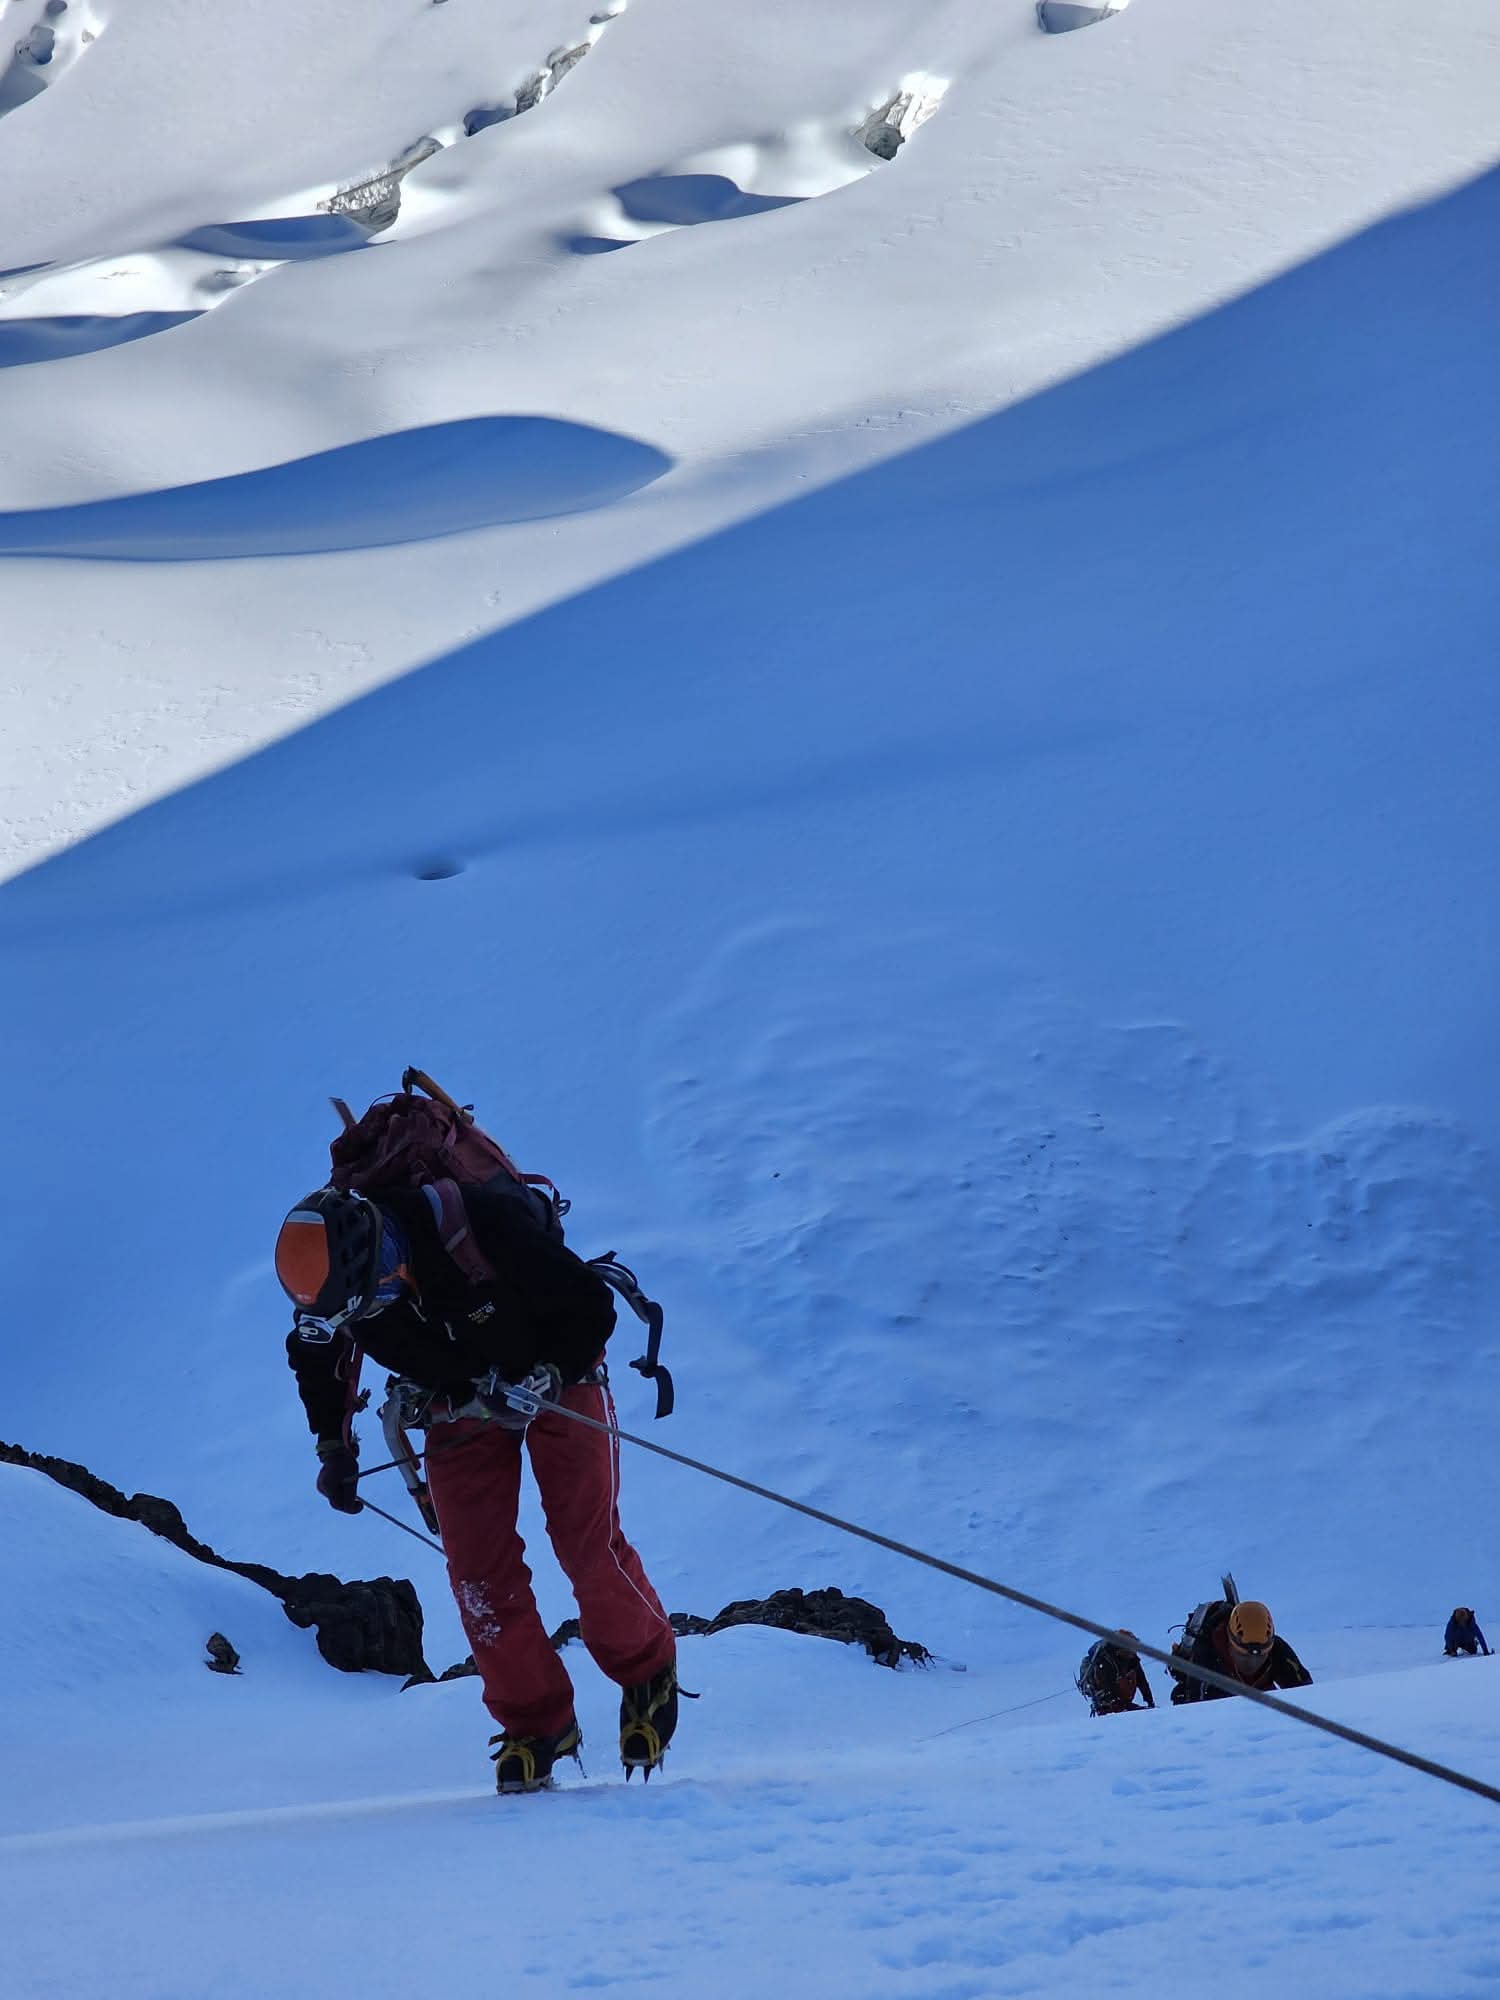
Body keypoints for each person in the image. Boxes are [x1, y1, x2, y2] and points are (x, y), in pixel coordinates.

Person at [275, 1183, 680, 1793]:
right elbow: (318, 1355)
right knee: (477, 1575)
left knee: (585, 1543)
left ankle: (647, 1669)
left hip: (558, 1373)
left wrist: (547, 1374)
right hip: (456, 1398)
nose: (364, 1320)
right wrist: (332, 1447)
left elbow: (589, 1306)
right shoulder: (335, 1288)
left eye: (365, 1307)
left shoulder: (476, 1227)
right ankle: (534, 1720)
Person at [1168, 1599, 1311, 1704]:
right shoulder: (1206, 1654)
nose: (1252, 1663)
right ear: (1229, 1642)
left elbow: (1306, 1695)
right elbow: (1193, 1707)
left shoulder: (1278, 1650)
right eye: (1243, 1655)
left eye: (1261, 1656)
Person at [1077, 1631, 1156, 1716]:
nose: (1133, 1652)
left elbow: (1142, 1682)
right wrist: (1118, 1704)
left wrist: (1149, 1701)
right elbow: (1107, 1686)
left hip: (1122, 1702)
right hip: (1106, 1704)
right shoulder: (1105, 1661)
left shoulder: (1133, 1660)